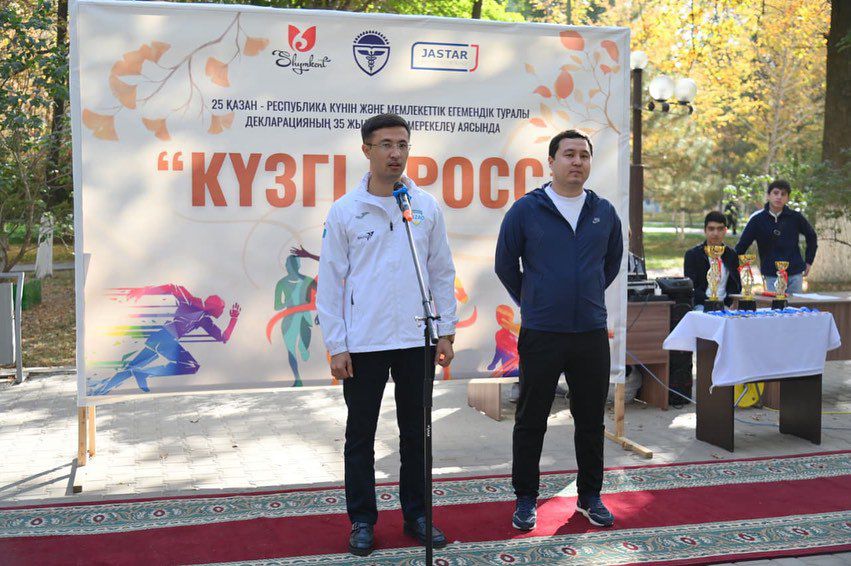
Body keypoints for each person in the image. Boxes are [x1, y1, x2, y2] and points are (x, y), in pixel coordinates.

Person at [316, 113, 457, 557]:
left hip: (417, 338)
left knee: (417, 433)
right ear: (367, 150)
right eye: (386, 145)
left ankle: (418, 514)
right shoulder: (346, 210)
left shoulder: (424, 206)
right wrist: (337, 345)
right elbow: (330, 281)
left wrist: (446, 331)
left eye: (402, 145)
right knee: (360, 435)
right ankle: (362, 520)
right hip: (364, 342)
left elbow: (441, 271)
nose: (396, 153)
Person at [495, 129, 623, 531]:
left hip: (590, 332)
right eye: (568, 154)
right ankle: (525, 498)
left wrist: (585, 294)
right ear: (551, 162)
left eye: (583, 155)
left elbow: (611, 263)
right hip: (542, 331)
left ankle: (590, 496)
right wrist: (534, 299)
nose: (577, 161)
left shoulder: (604, 212)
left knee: (591, 420)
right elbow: (505, 264)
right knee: (531, 418)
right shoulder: (526, 210)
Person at [89, 284, 240, 395]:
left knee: (131, 368)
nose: (222, 312)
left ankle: (103, 389)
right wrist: (144, 291)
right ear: (215, 306)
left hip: (160, 337)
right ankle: (144, 373)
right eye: (221, 308)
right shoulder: (194, 304)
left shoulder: (204, 318)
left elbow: (224, 338)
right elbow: (172, 288)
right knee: (191, 366)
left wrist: (233, 318)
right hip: (166, 339)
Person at [734, 179, 817, 294]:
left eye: (783, 194)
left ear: (787, 198)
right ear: (768, 196)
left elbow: (812, 236)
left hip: (795, 274)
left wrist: (809, 261)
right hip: (771, 274)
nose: (779, 197)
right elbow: (742, 245)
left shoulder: (795, 217)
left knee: (796, 304)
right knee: (774, 304)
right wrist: (729, 264)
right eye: (776, 193)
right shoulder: (757, 220)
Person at [683, 211, 742, 310]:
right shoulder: (693, 255)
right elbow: (692, 288)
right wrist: (712, 303)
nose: (715, 233)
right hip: (701, 305)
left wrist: (729, 304)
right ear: (705, 230)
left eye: (720, 229)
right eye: (711, 229)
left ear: (725, 230)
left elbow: (735, 286)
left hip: (726, 306)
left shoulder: (731, 255)